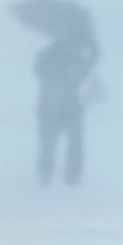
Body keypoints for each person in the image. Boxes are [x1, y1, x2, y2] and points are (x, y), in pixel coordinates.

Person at [35, 34, 99, 185]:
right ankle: (63, 176)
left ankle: (50, 175)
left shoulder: (48, 55)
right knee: (62, 143)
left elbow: (83, 74)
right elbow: (82, 74)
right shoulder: (69, 56)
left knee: (53, 143)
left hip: (55, 107)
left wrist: (90, 58)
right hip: (61, 107)